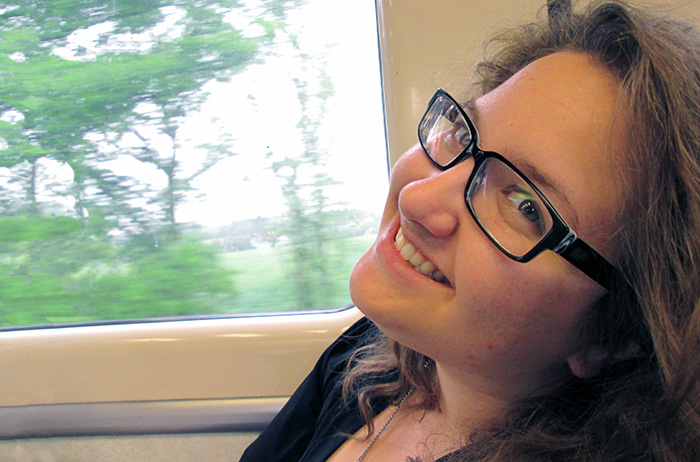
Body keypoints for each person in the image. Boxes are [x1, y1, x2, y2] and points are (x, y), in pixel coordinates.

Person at [240, 1, 700, 460]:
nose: (416, 199)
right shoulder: (361, 363)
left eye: (524, 206)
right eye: (465, 136)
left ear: (613, 337)